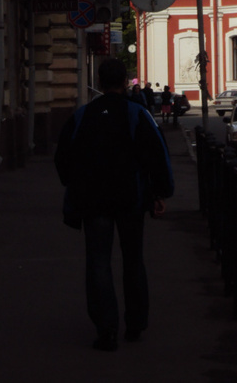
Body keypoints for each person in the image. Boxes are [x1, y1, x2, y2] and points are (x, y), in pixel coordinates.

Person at [54, 58, 174, 351]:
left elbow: (62, 158)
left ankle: (106, 330)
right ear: (124, 82)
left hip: (93, 203)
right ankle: (134, 324)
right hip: (130, 201)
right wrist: (160, 192)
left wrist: (75, 187)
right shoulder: (137, 114)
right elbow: (158, 155)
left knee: (98, 263)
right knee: (133, 260)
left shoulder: (82, 116)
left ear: (100, 80)